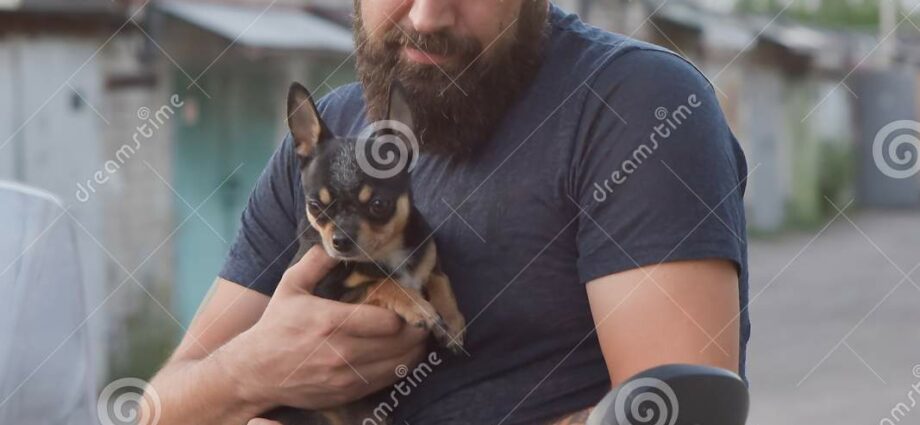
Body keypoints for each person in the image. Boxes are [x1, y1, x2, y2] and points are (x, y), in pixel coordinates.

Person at [146, 1, 750, 424]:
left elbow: (675, 410)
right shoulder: (325, 145)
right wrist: (245, 375)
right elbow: (157, 411)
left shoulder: (634, 109)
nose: (428, 14)